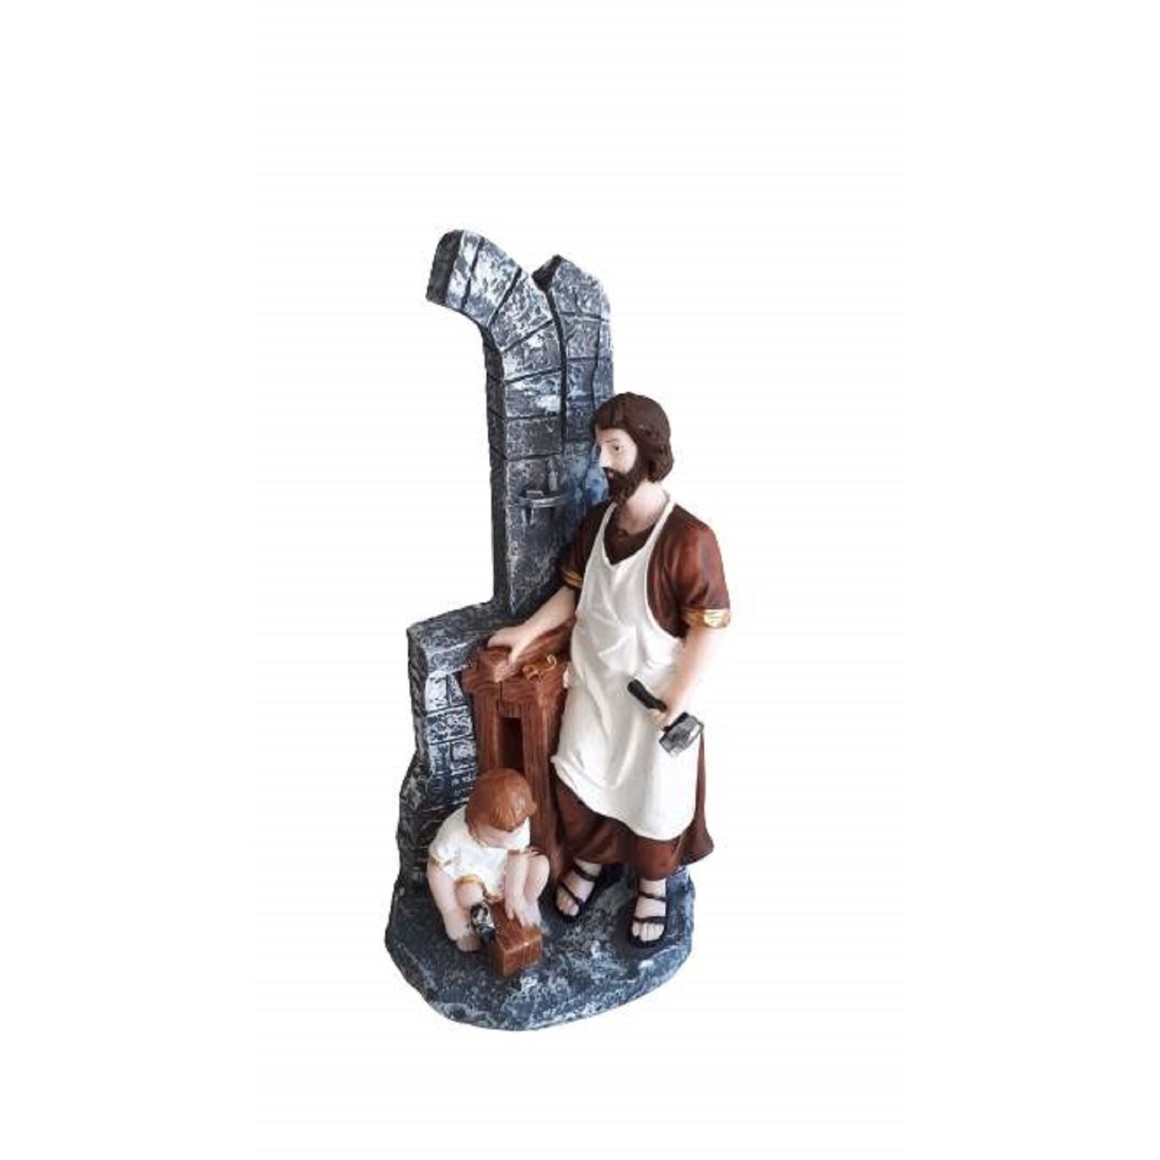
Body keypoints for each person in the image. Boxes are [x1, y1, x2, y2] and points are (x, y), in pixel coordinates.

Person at [488, 394, 730, 949]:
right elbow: (574, 593)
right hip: (595, 685)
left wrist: (679, 693)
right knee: (579, 775)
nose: (603, 461)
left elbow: (709, 627)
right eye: (600, 448)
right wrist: (526, 632)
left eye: (616, 449)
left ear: (649, 451)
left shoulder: (690, 539)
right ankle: (592, 860)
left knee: (653, 797)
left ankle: (652, 885)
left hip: (652, 698)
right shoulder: (599, 523)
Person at [427, 768, 549, 952]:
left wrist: (515, 893)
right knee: (469, 894)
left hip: (504, 870)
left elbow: (517, 855)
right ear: (475, 822)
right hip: (473, 875)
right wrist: (450, 912)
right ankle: (472, 924)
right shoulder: (454, 832)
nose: (506, 844)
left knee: (541, 867)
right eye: (495, 840)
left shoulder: (517, 823)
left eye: (512, 836)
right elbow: (436, 868)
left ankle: (527, 902)